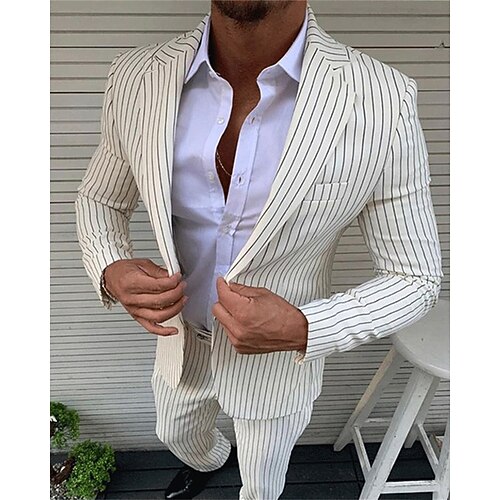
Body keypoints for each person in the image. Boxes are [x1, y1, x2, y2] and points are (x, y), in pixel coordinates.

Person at [75, 1, 443, 498]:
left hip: (279, 365)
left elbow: (415, 277)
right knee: (175, 434)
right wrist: (110, 266)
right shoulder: (137, 77)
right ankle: (210, 460)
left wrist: (306, 327)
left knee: (263, 481)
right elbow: (100, 199)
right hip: (180, 340)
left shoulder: (383, 100)